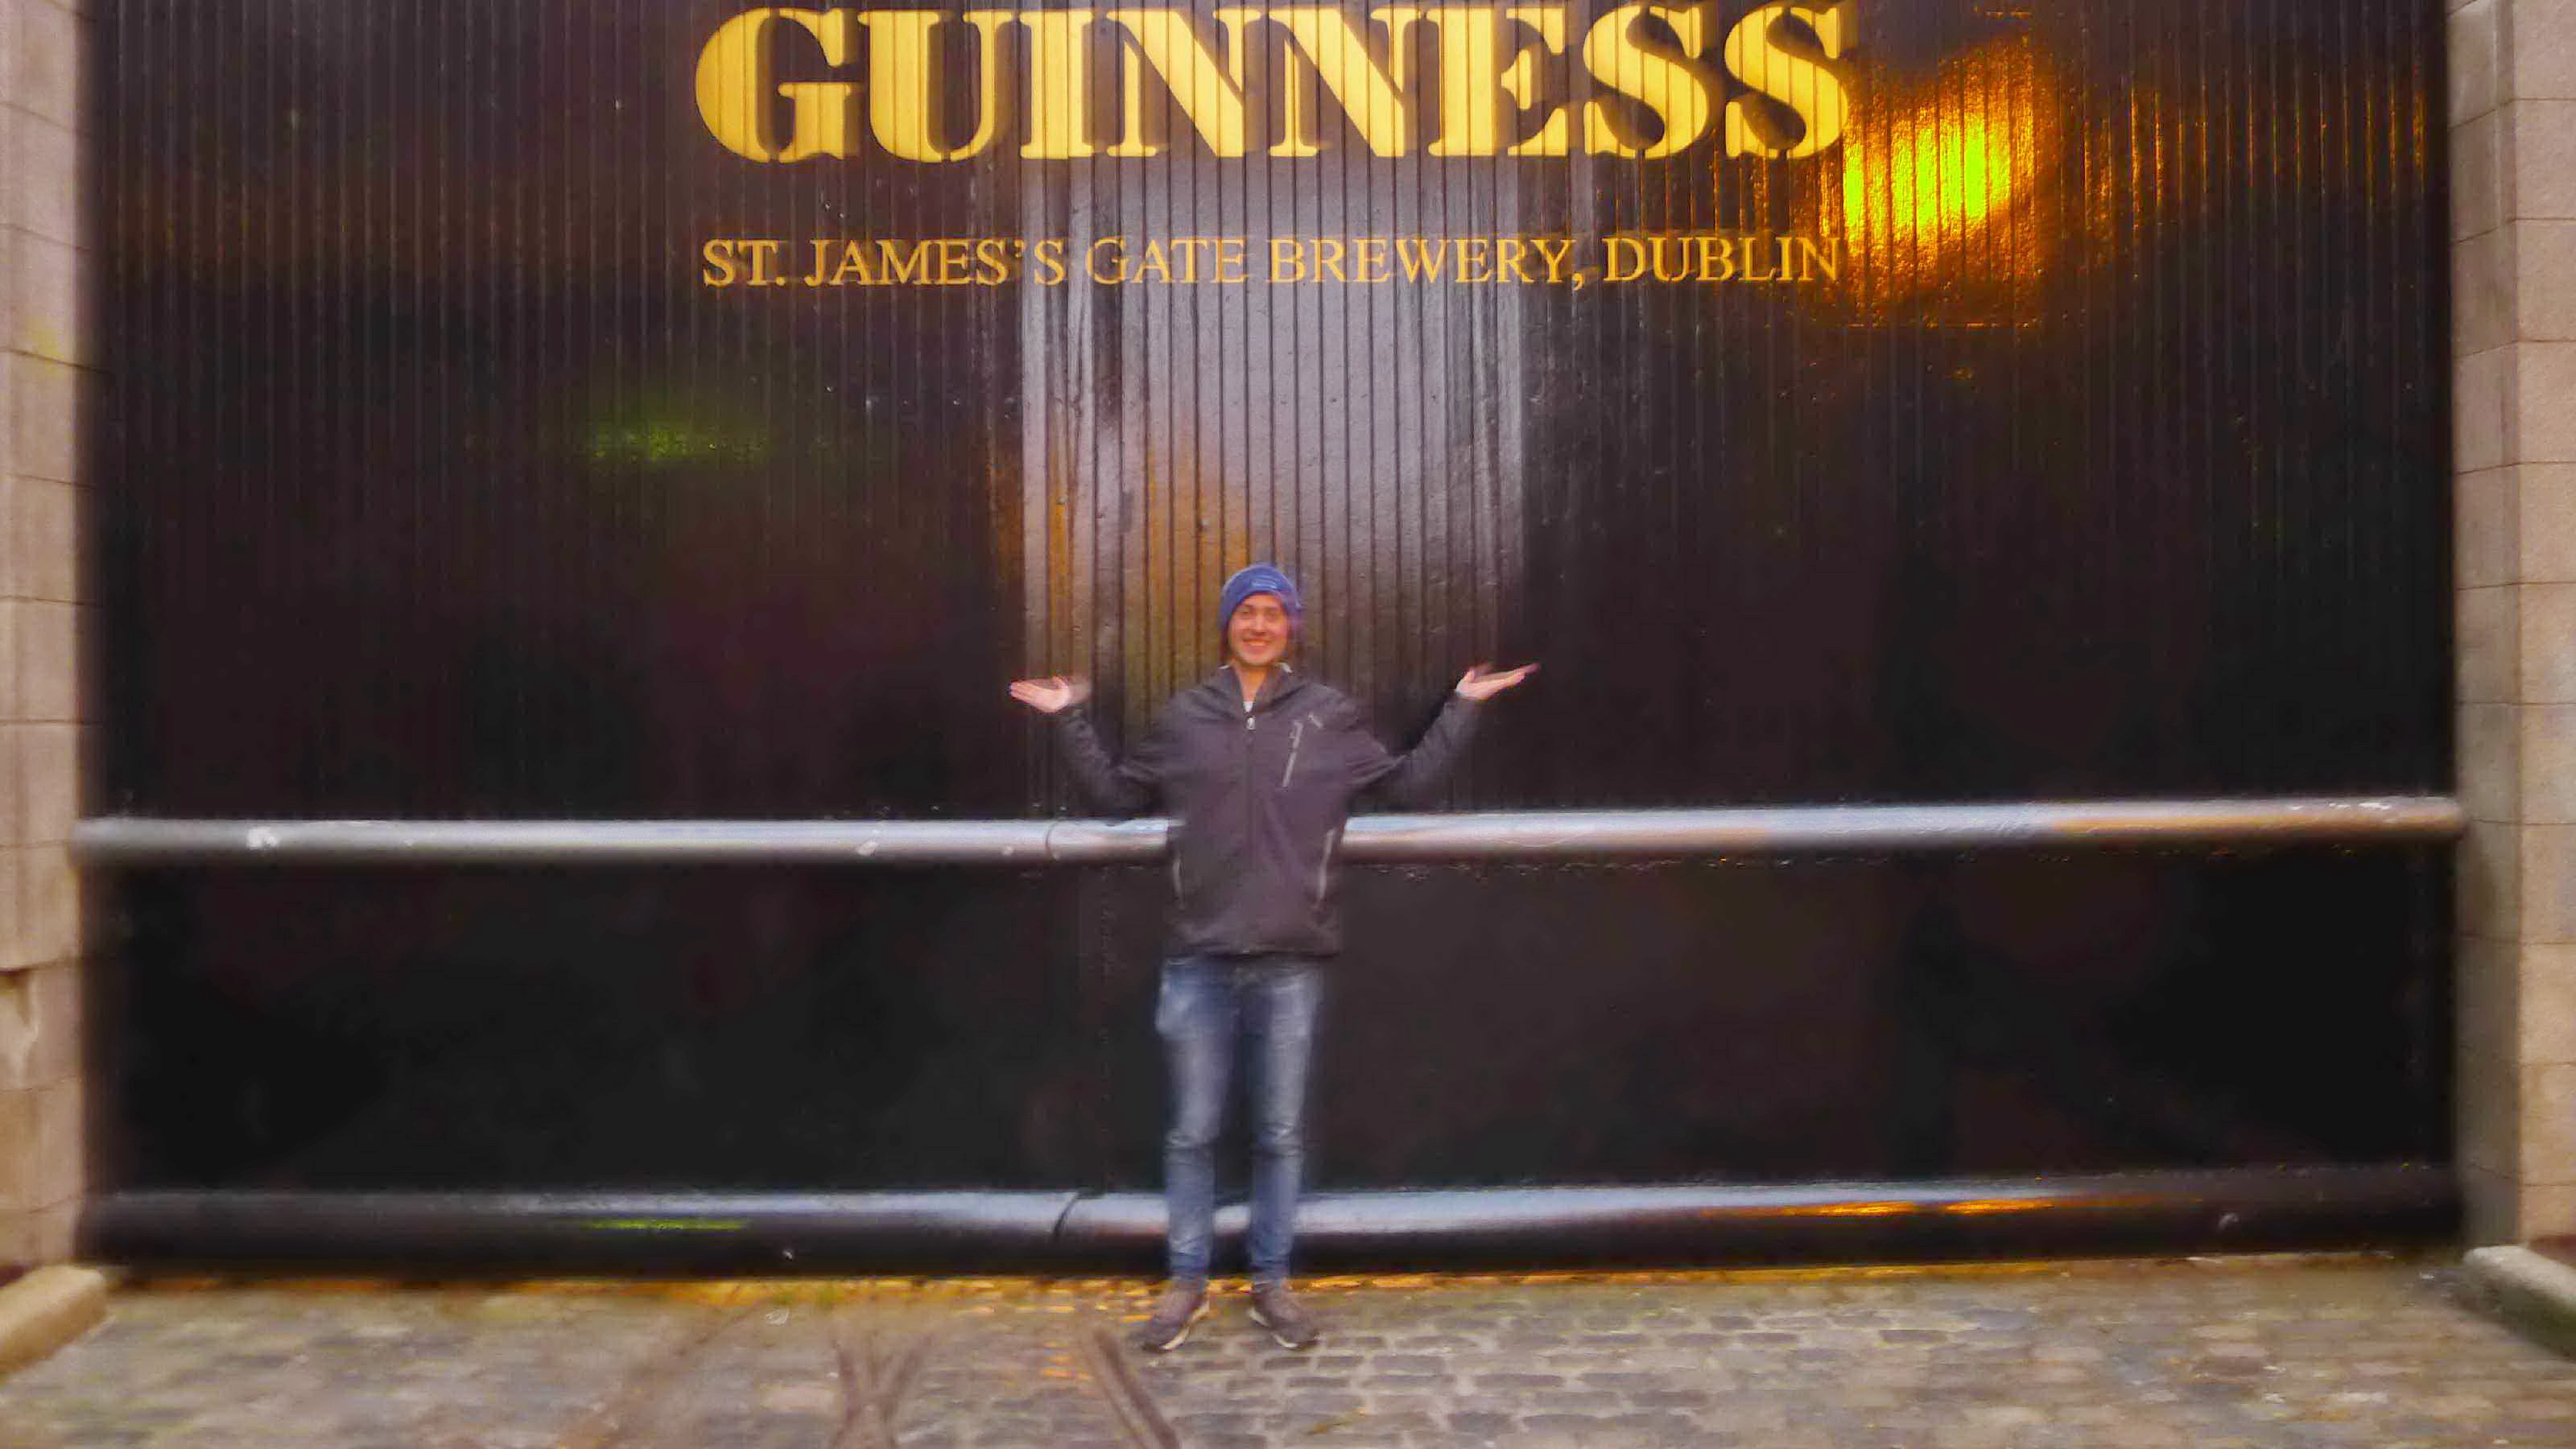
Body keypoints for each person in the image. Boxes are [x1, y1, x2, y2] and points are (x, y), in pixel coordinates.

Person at [1009, 563, 1535, 1352]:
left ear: (1290, 626)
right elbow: (1117, 797)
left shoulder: (1329, 716)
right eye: (1246, 612)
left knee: (1279, 1133)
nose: (1259, 624)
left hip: (1293, 961)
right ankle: (1185, 1283)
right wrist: (1069, 718)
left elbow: (1406, 788)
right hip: (1198, 958)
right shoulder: (1184, 717)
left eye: (1272, 613)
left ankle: (1270, 1284)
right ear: (1227, 625)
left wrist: (1463, 706)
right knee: (1191, 1132)